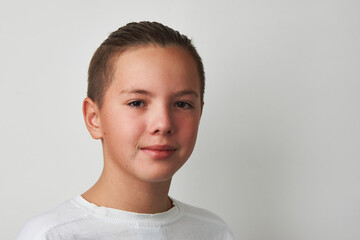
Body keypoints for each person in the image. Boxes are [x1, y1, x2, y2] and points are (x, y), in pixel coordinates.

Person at [15, 21, 235, 240]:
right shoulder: (51, 235)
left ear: (200, 114)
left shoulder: (214, 232)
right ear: (94, 118)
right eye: (137, 103)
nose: (164, 124)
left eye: (182, 104)